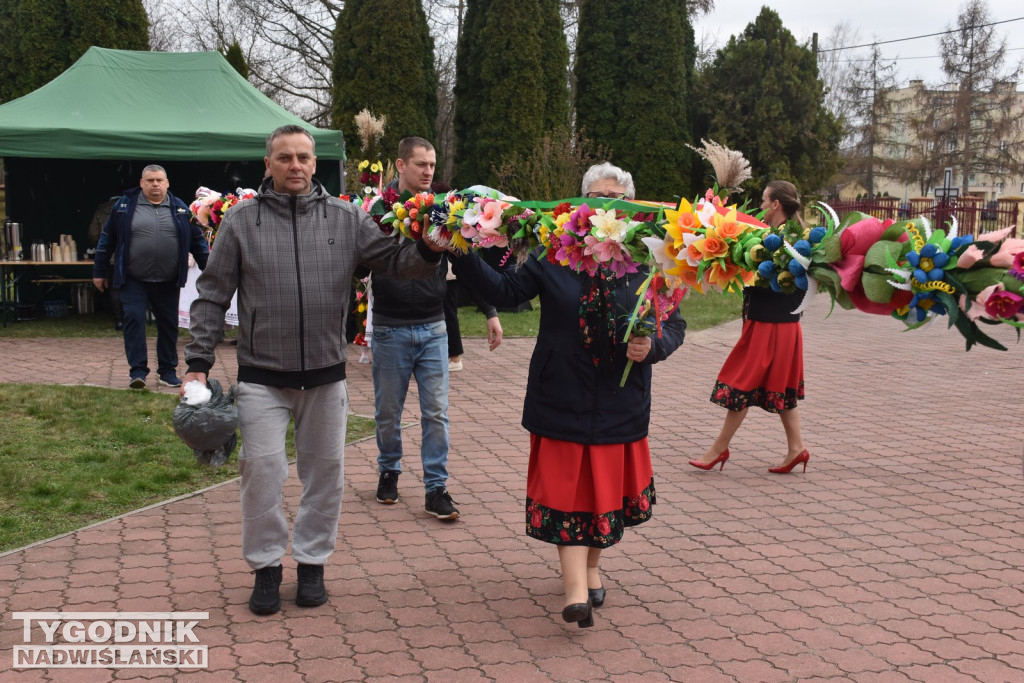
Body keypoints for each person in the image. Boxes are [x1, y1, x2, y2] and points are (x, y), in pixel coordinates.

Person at [182, 125, 445, 616]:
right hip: (262, 374)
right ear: (268, 165)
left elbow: (393, 261)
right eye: (284, 157)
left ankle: (311, 564)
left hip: (326, 374)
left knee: (325, 474)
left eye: (303, 156)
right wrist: (197, 363)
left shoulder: (345, 217)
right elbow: (213, 292)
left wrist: (430, 248)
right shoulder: (241, 221)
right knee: (260, 471)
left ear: (314, 162)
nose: (295, 165)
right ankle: (265, 568)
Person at [452, 163, 686, 629]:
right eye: (596, 197)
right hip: (561, 391)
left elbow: (673, 323)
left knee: (604, 497)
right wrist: (460, 253)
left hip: (621, 397)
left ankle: (592, 568)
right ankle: (575, 591)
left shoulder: (652, 258)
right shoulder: (553, 252)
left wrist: (652, 345)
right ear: (581, 204)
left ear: (632, 207)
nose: (605, 206)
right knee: (567, 496)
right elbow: (506, 288)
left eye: (615, 199)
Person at [365, 137, 502, 520]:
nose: (428, 172)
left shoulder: (444, 211)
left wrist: (490, 311)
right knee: (388, 412)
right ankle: (389, 470)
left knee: (437, 413)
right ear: (400, 165)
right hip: (390, 327)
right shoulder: (379, 210)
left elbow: (466, 259)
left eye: (432, 165)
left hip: (433, 326)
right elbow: (364, 260)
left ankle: (436, 487)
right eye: (421, 164)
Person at [689, 180, 810, 474]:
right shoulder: (777, 236)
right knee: (780, 387)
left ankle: (718, 449)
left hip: (772, 324)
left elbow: (784, 281)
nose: (761, 205)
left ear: (776, 204)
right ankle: (796, 449)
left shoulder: (790, 240)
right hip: (775, 322)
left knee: (741, 383)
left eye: (764, 200)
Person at [93, 166, 209, 389]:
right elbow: (106, 240)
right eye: (150, 180)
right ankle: (138, 371)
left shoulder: (181, 209)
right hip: (133, 278)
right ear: (141, 183)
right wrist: (99, 272)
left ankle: (167, 371)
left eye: (159, 180)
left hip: (168, 280)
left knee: (168, 325)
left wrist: (210, 272)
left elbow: (198, 242)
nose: (155, 184)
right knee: (134, 320)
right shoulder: (124, 207)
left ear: (167, 183)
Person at [87, 196, 123, 331]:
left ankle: (118, 320)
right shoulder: (134, 205)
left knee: (114, 287)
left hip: (111, 254)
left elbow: (93, 233)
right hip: (131, 254)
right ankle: (131, 317)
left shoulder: (101, 209)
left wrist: (102, 244)